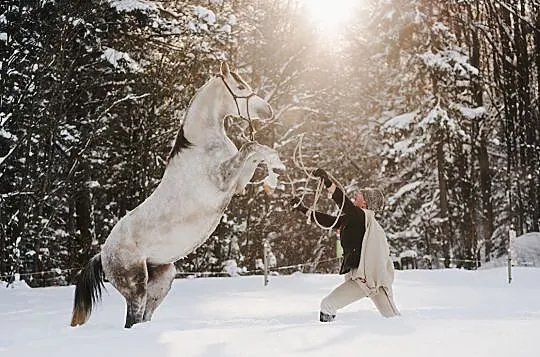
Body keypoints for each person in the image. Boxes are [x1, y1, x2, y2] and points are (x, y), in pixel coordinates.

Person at [290, 168, 400, 322]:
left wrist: (328, 182)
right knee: (327, 305)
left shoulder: (362, 216)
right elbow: (330, 221)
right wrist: (303, 210)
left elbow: (343, 203)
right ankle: (325, 332)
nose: (357, 194)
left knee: (393, 318)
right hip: (360, 280)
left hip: (372, 281)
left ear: (366, 202)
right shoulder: (353, 219)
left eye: (361, 194)